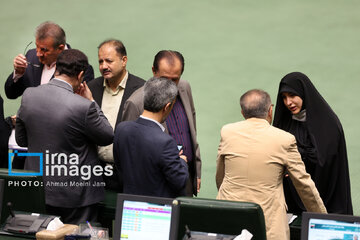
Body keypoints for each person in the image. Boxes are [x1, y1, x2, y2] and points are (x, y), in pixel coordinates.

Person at [15, 49, 114, 224]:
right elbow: (107, 136)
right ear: (81, 74)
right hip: (76, 197)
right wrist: (91, 101)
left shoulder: (29, 95)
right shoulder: (83, 106)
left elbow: (21, 140)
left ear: (57, 69)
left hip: (37, 190)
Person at [216, 89, 326, 240]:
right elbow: (304, 184)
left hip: (229, 219)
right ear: (270, 110)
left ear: (242, 112)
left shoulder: (227, 132)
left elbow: (220, 176)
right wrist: (323, 218)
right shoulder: (285, 139)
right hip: (268, 225)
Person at [122, 50, 201, 196]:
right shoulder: (135, 102)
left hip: (185, 178)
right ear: (153, 71)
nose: (170, 86)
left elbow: (191, 130)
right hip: (157, 187)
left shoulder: (185, 88)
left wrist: (196, 171)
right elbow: (131, 152)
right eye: (164, 78)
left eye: (174, 79)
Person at [273, 72, 353, 215]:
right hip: (289, 201)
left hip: (324, 196)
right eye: (284, 97)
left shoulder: (328, 123)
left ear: (303, 93)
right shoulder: (285, 123)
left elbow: (326, 161)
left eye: (292, 95)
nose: (288, 102)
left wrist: (293, 166)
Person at [113, 77, 188, 198]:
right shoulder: (166, 142)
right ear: (167, 106)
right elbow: (180, 181)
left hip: (129, 205)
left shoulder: (122, 129)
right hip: (156, 210)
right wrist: (181, 162)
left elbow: (120, 167)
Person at [88, 39, 145, 191]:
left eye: (109, 61)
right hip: (96, 172)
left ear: (124, 60)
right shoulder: (91, 88)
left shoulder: (141, 89)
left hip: (128, 173)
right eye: (100, 61)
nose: (103, 66)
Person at [5, 21, 94, 99]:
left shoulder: (79, 69)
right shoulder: (30, 56)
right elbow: (11, 94)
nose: (38, 54)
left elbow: (81, 106)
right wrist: (18, 73)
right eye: (37, 47)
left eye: (44, 50)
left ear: (60, 48)